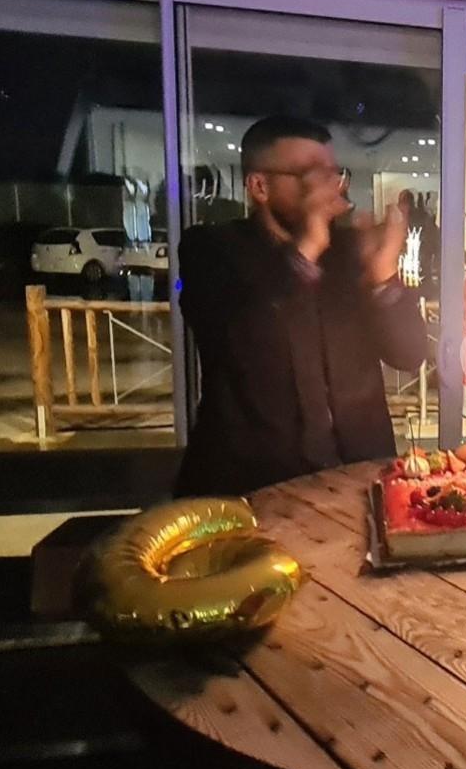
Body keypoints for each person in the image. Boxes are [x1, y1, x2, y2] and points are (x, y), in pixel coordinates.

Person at [174, 116, 428, 496]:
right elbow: (240, 342)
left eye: (332, 174)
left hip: (358, 482)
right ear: (259, 186)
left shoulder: (345, 252)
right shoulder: (212, 250)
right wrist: (306, 250)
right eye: (309, 175)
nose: (328, 187)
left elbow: (409, 354)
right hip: (252, 492)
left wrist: (382, 275)